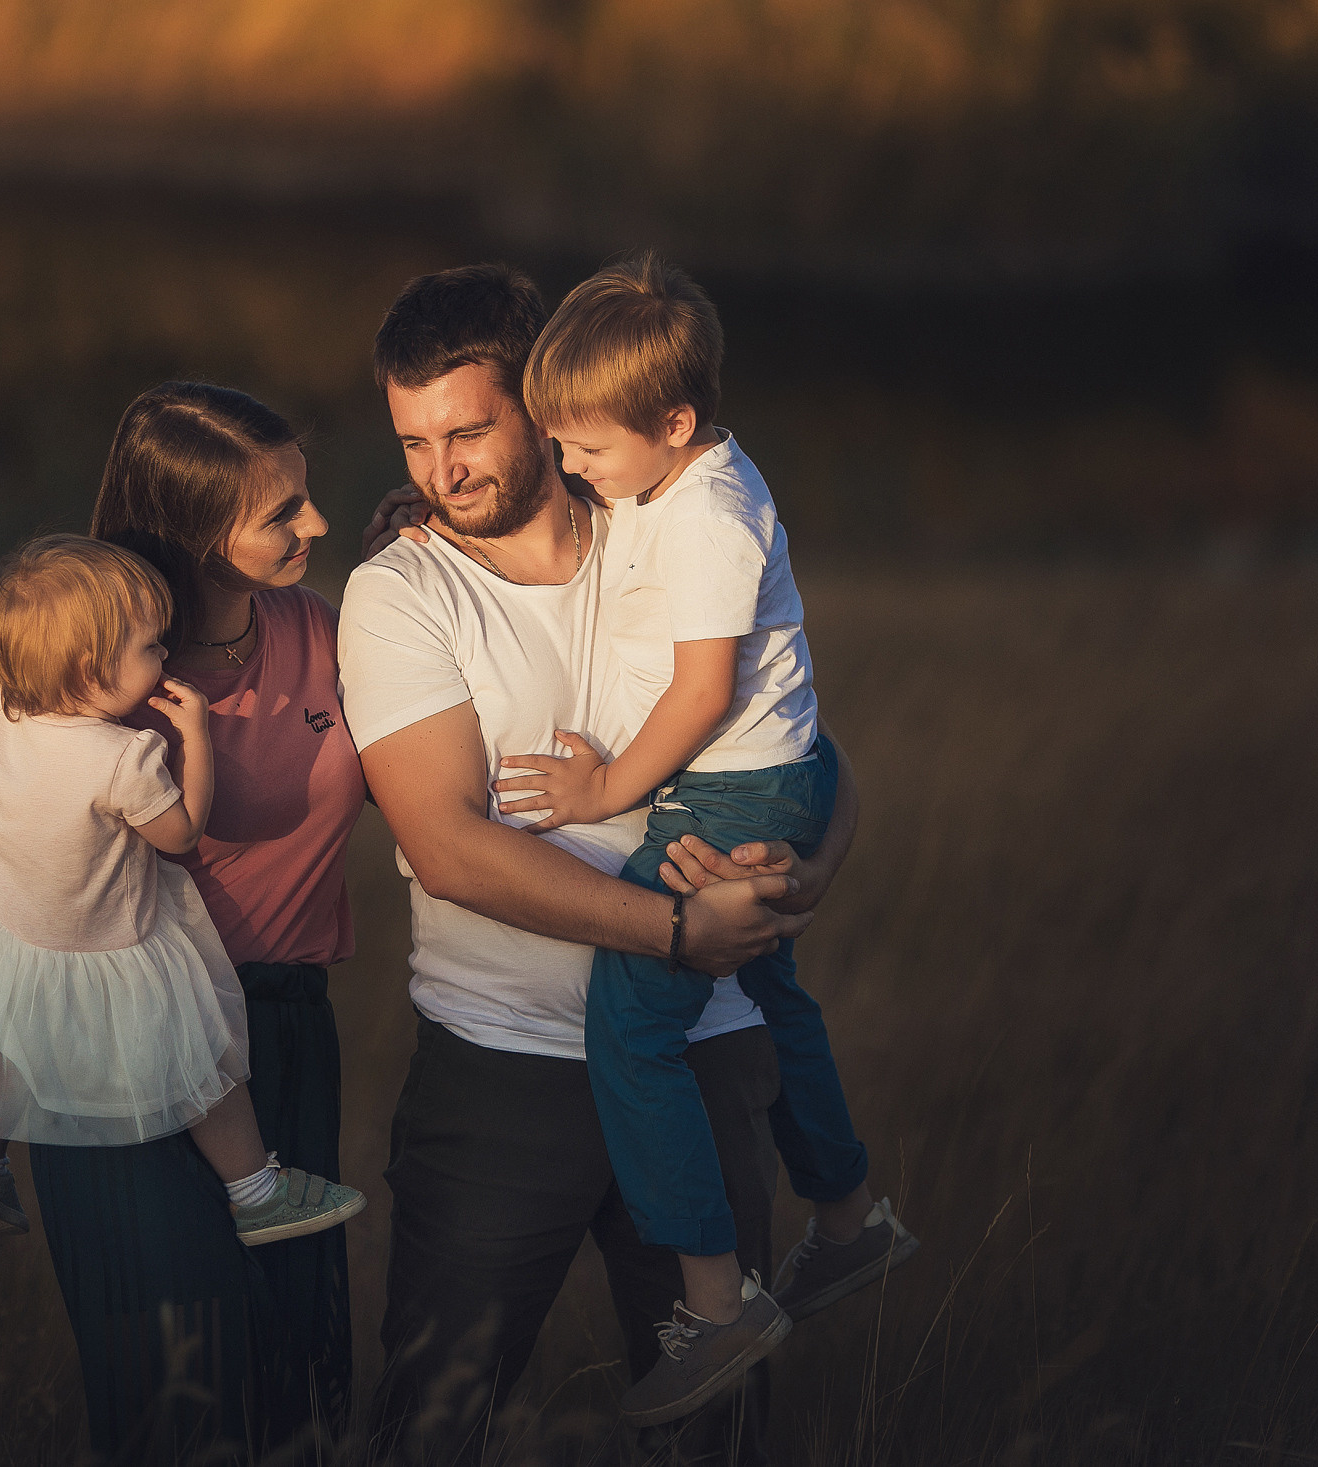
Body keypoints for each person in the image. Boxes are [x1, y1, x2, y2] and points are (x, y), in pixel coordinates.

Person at [343, 263, 860, 1463]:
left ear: (546, 400)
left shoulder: (675, 517)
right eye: (414, 442)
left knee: (724, 1424)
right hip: (502, 1069)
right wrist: (675, 934)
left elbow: (803, 742)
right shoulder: (400, 593)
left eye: (468, 429)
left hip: (704, 1045)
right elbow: (448, 848)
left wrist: (815, 867)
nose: (442, 470)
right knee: (431, 1419)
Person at [0, 384, 367, 1457]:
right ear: (198, 534)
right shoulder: (83, 695)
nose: (315, 527)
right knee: (181, 1386)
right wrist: (48, 1002)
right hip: (116, 1061)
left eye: (307, 499)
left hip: (283, 1037)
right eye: (282, 511)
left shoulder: (326, 633)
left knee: (295, 1386)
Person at [490, 253, 916, 1424]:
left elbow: (699, 691)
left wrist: (601, 793)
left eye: (589, 447)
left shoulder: (708, 520)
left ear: (673, 421)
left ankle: (716, 1308)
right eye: (558, 441)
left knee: (629, 1025)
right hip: (768, 775)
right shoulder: (673, 485)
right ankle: (843, 1220)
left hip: (729, 791)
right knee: (773, 990)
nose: (571, 467)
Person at [0, 531, 363, 1248]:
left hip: (15, 937)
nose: (165, 657)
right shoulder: (125, 755)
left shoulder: (0, 716)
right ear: (92, 666)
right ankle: (256, 1192)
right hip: (114, 949)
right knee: (209, 1072)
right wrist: (195, 736)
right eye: (149, 647)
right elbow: (180, 833)